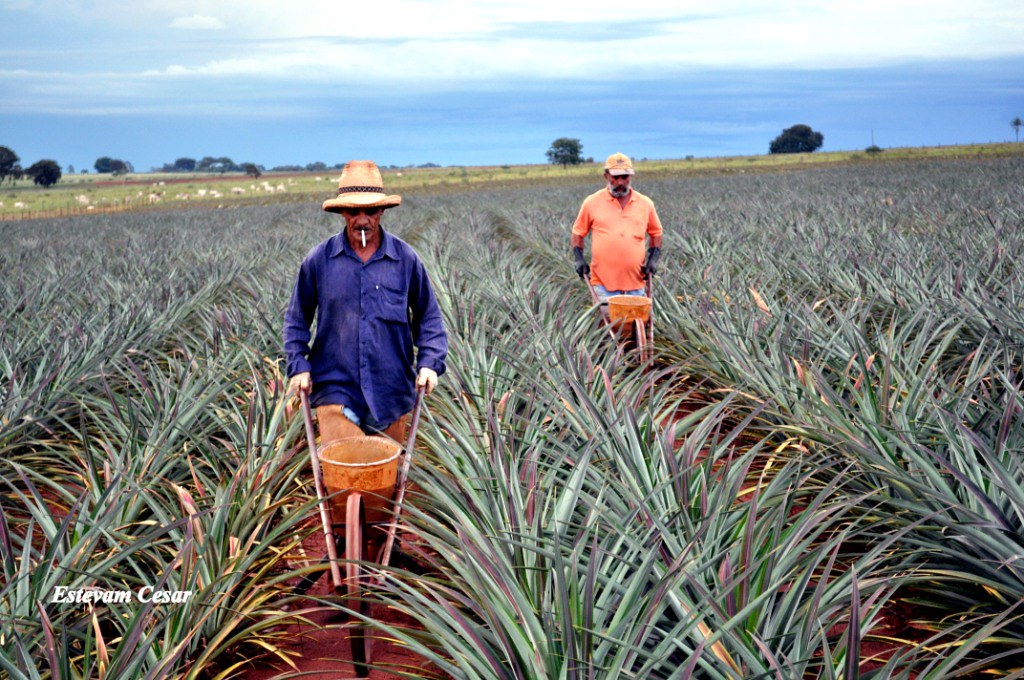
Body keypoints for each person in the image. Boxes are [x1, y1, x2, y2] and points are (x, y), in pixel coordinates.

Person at [284, 160, 447, 445]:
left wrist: (430, 363)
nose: (362, 220)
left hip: (391, 390)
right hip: (335, 388)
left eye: (370, 211)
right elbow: (297, 319)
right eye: (353, 211)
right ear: (341, 213)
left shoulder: (404, 259)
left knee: (381, 482)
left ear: (382, 210)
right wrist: (298, 365)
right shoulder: (319, 261)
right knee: (346, 472)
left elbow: (428, 316)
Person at [570, 152, 663, 310]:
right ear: (606, 176)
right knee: (607, 328)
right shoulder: (592, 202)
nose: (620, 182)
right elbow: (578, 233)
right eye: (615, 177)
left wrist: (653, 260)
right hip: (603, 283)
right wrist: (579, 259)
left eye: (625, 177)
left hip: (636, 282)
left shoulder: (645, 203)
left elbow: (656, 233)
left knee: (636, 328)